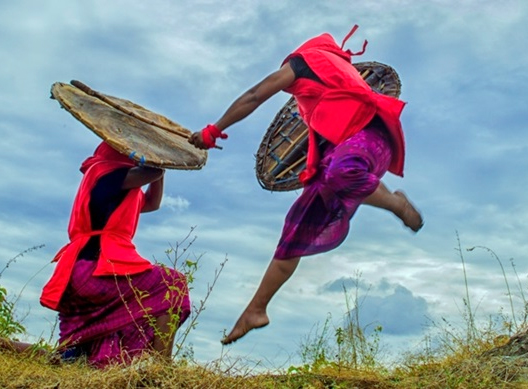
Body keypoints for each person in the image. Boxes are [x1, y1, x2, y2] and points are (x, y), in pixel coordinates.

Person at [189, 25, 423, 345]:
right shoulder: (334, 73)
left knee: (342, 173)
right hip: (343, 155)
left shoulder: (303, 63)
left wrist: (213, 131)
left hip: (369, 139)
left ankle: (396, 202)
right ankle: (256, 309)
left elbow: (256, 94)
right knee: (296, 229)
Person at [40, 141, 190, 367]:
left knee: (71, 352)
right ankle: (162, 367)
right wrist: (159, 154)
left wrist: (161, 164)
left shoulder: (116, 186)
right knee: (172, 284)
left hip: (75, 271)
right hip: (95, 268)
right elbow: (152, 171)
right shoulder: (104, 173)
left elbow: (153, 202)